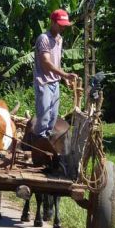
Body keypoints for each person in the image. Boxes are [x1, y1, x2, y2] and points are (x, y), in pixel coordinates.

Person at [33, 9, 77, 139]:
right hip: (44, 82)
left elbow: (56, 62)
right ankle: (38, 147)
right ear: (52, 22)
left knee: (53, 117)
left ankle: (47, 144)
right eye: (60, 24)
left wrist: (64, 79)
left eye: (64, 25)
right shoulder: (44, 39)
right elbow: (46, 62)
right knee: (44, 117)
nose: (63, 27)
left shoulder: (59, 39)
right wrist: (65, 75)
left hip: (55, 83)